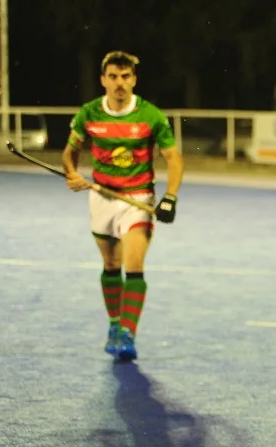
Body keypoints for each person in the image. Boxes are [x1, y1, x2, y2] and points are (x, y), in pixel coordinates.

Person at [62, 50, 184, 362]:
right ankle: (115, 325)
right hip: (101, 197)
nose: (120, 83)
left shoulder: (150, 116)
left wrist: (170, 196)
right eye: (114, 77)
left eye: (126, 77)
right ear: (103, 80)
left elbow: (173, 158)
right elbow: (69, 153)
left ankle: (128, 332)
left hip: (137, 199)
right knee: (111, 265)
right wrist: (72, 174)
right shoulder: (89, 113)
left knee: (134, 264)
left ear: (134, 80)